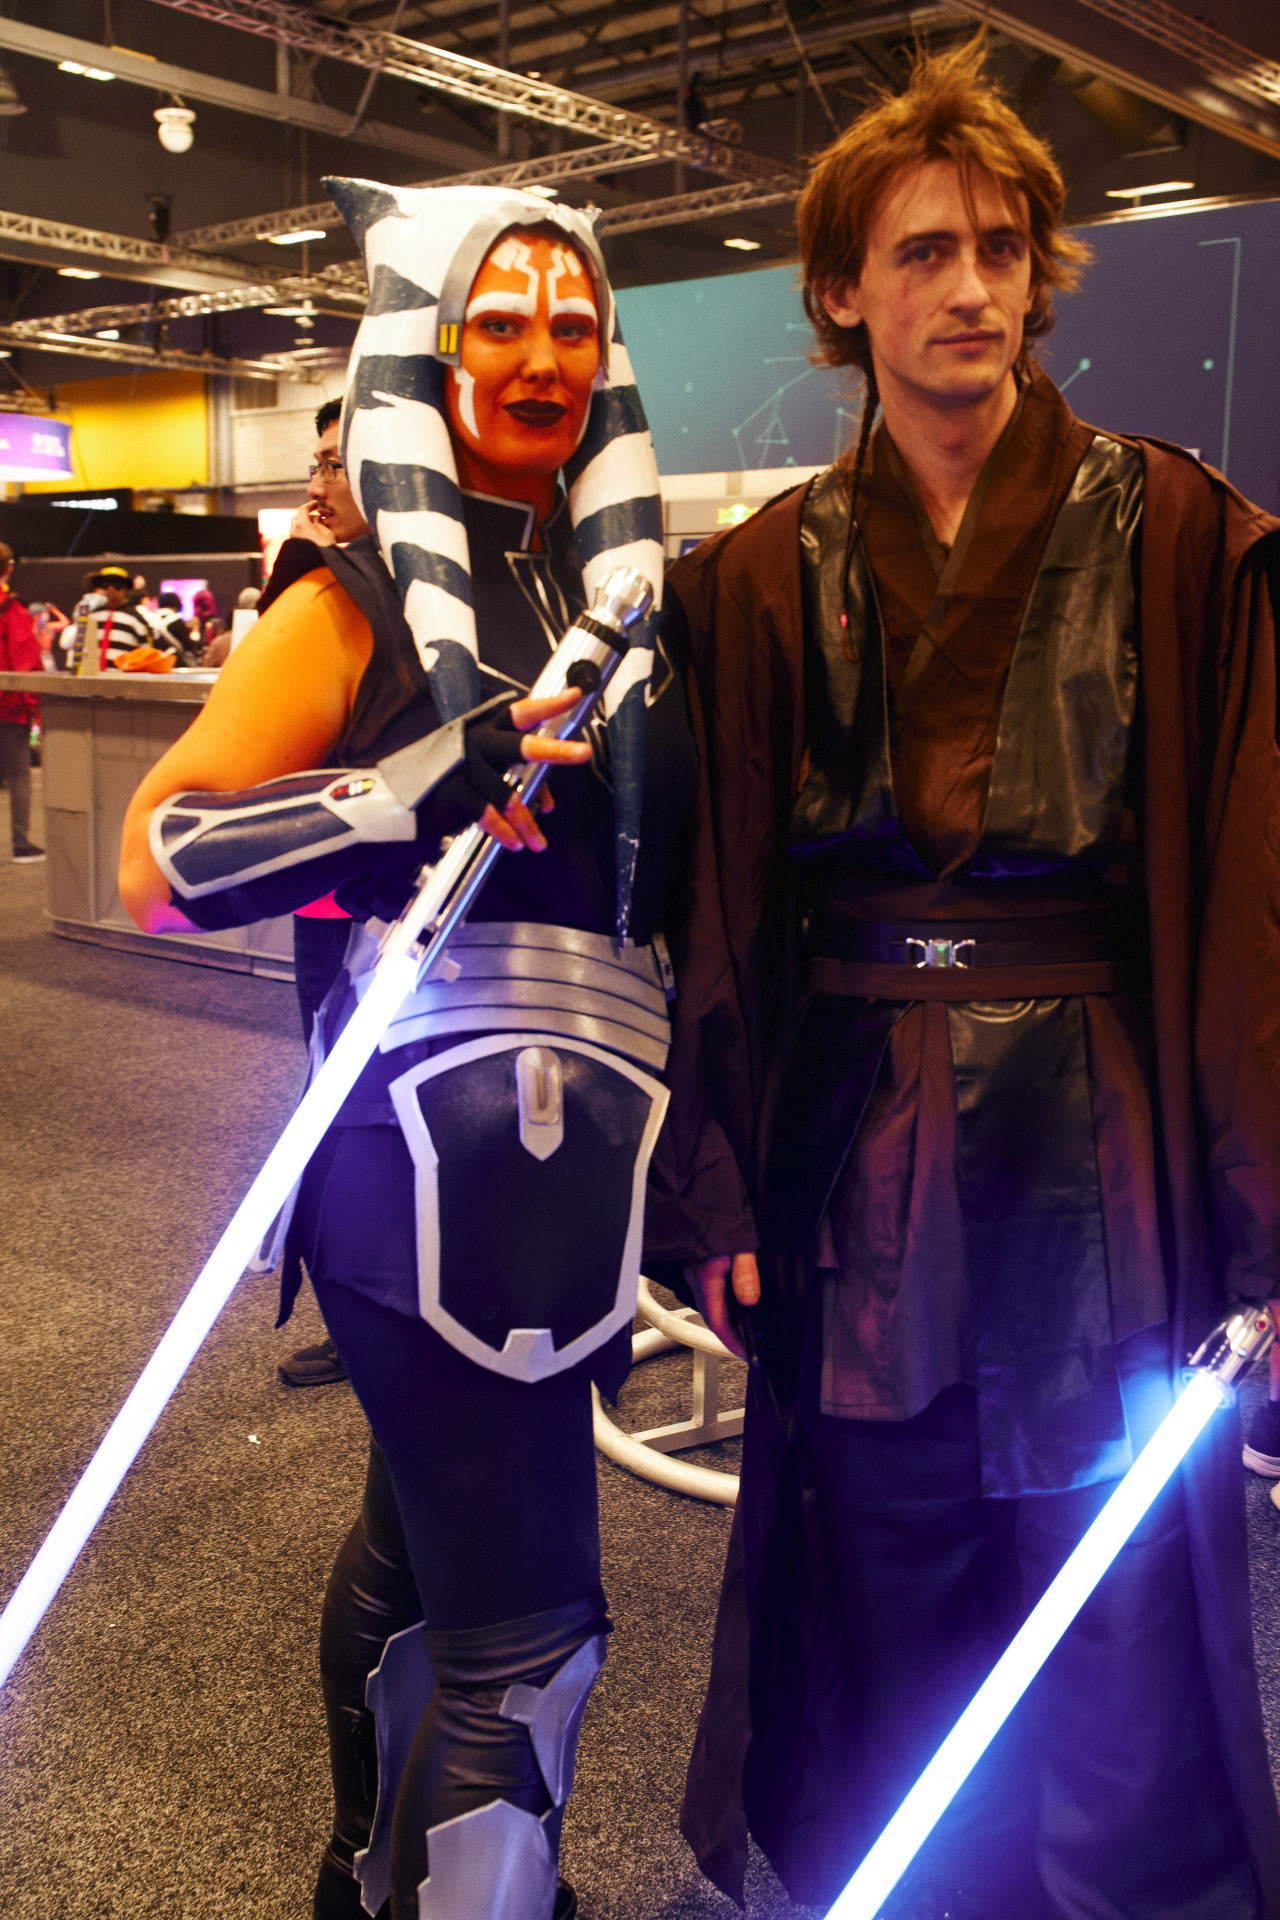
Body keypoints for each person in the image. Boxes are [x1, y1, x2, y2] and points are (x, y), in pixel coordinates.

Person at [649, 39, 1280, 1919]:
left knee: (1114, 1589)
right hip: (860, 1145)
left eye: (1002, 249)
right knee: (892, 1560)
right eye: (924, 252)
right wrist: (721, 1183)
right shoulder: (760, 575)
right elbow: (722, 908)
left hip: (1104, 1137)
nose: (974, 290)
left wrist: (1263, 1229)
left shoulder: (1180, 534)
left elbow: (1255, 907)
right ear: (844, 292)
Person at [119, 183, 691, 1920]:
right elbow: (157, 862)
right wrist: (415, 784)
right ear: (428, 355)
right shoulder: (353, 599)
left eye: (573, 325)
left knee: (424, 1564)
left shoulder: (632, 605)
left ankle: (362, 1885)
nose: (539, 355)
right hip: (417, 1168)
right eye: (497, 322)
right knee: (531, 1641)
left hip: (581, 1169)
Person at [0, 541, 44, 862]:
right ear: (9, 568)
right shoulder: (12, 610)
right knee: (18, 775)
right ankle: (21, 843)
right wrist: (33, 705)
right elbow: (24, 662)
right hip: (8, 705)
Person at [88, 565, 182, 668]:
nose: (111, 588)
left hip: (123, 674)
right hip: (94, 673)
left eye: (117, 584)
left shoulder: (136, 619)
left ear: (125, 588)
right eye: (106, 584)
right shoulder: (94, 616)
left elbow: (146, 653)